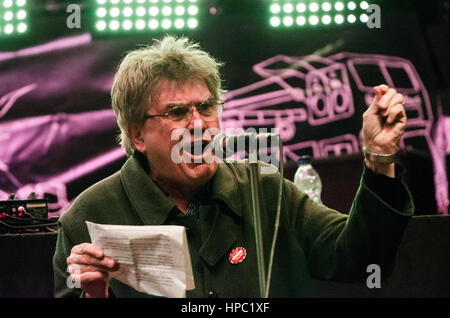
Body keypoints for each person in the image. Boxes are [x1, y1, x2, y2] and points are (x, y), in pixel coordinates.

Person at [53, 36, 414, 298]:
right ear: (137, 135)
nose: (199, 125)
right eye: (178, 112)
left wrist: (379, 157)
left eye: (206, 108)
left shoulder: (264, 189)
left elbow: (361, 259)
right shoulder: (88, 217)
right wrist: (94, 296)